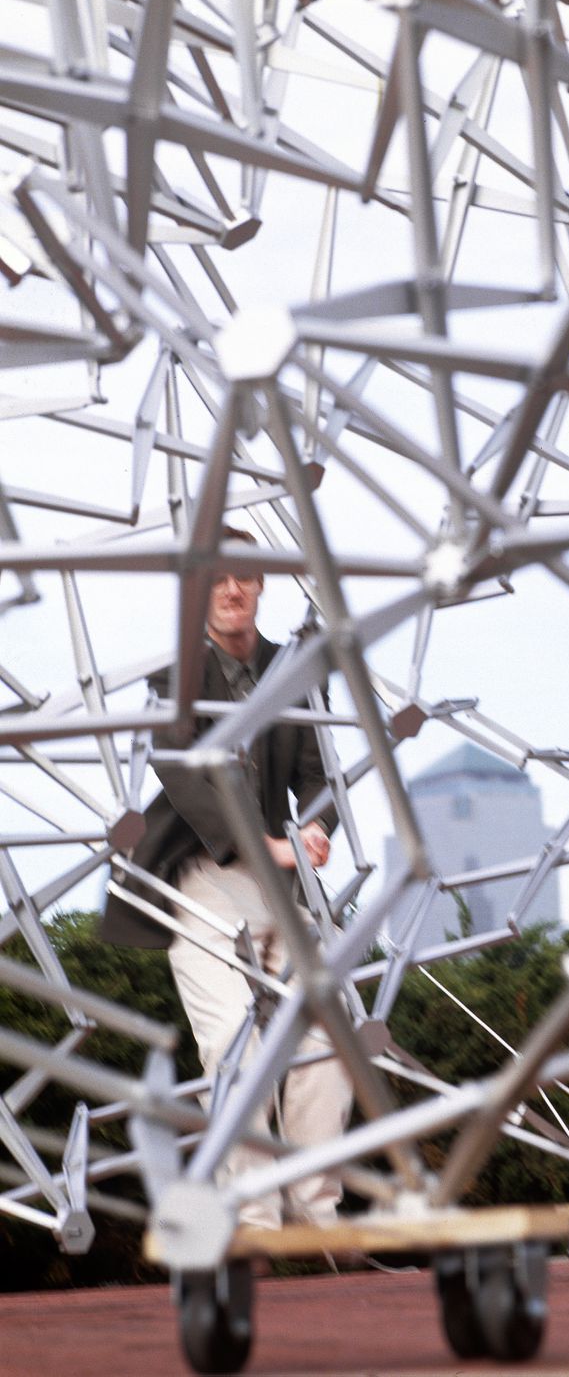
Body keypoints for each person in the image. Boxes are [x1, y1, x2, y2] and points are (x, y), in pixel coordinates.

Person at [103, 525, 353, 1231]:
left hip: (280, 887)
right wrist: (268, 843)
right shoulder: (173, 680)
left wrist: (316, 828)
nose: (233, 589)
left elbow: (322, 777)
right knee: (235, 1045)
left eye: (245, 575)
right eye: (217, 578)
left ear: (263, 582)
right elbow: (186, 779)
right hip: (203, 880)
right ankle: (256, 1223)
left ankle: (318, 1221)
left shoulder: (294, 668)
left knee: (322, 1046)